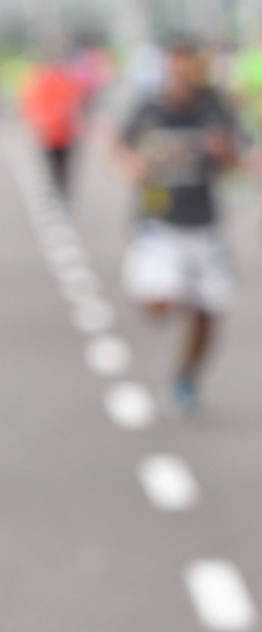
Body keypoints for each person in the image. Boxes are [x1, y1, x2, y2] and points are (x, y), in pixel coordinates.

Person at [114, 37, 238, 414]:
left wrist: (224, 151)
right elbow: (119, 143)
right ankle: (171, 290)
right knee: (160, 303)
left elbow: (237, 160)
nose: (182, 74)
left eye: (189, 66)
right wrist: (131, 164)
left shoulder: (213, 108)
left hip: (203, 222)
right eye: (176, 66)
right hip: (159, 222)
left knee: (210, 312)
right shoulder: (150, 109)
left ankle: (186, 377)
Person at [19, 42, 86, 202]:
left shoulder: (60, 80)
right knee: (57, 166)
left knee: (60, 165)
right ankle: (59, 192)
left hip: (62, 132)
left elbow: (74, 103)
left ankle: (60, 192)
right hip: (52, 132)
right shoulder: (41, 80)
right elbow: (31, 104)